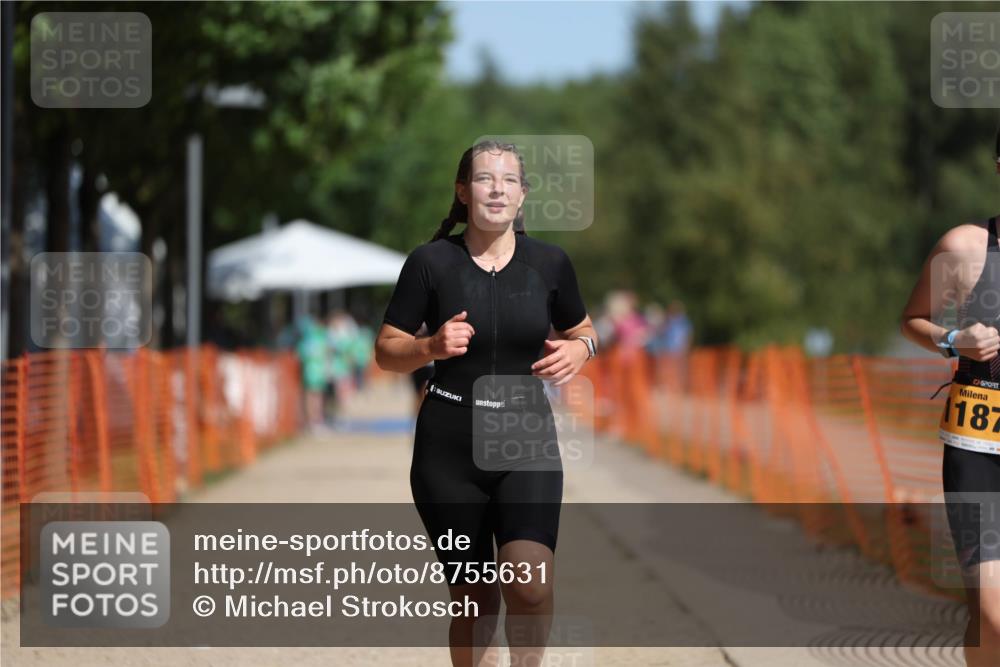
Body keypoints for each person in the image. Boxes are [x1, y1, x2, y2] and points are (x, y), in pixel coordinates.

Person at [374, 140, 597, 667]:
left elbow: (584, 328)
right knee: (475, 601)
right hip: (448, 445)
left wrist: (581, 348)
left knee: (530, 582)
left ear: (522, 196)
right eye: (483, 179)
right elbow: (386, 351)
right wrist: (429, 346)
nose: (496, 188)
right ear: (462, 191)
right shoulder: (430, 263)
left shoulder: (551, 263)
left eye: (508, 180)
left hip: (525, 436)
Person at [900, 135, 1000, 666]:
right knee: (991, 619)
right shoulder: (964, 248)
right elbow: (911, 319)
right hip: (978, 450)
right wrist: (952, 341)